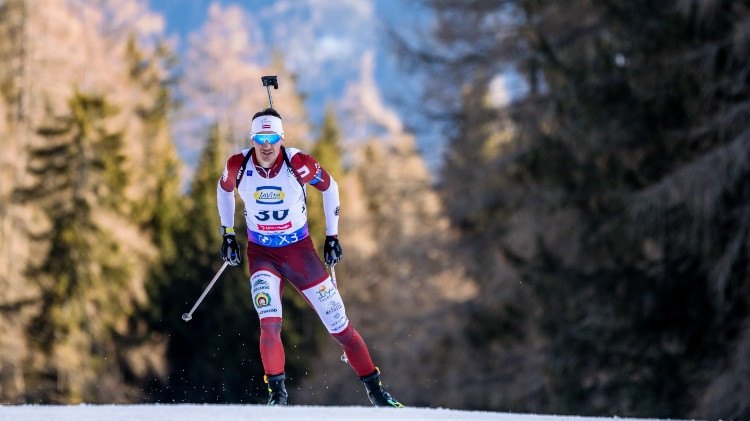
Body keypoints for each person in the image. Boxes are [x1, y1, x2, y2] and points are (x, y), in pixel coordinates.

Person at [216, 108, 403, 407]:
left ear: (281, 138)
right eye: (260, 138)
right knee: (269, 323)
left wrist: (332, 236)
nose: (266, 145)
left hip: (300, 254)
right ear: (252, 139)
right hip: (262, 254)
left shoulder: (298, 163)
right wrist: (227, 233)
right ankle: (277, 398)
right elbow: (223, 189)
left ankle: (378, 394)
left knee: (340, 328)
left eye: (272, 137)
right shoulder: (238, 165)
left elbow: (331, 188)